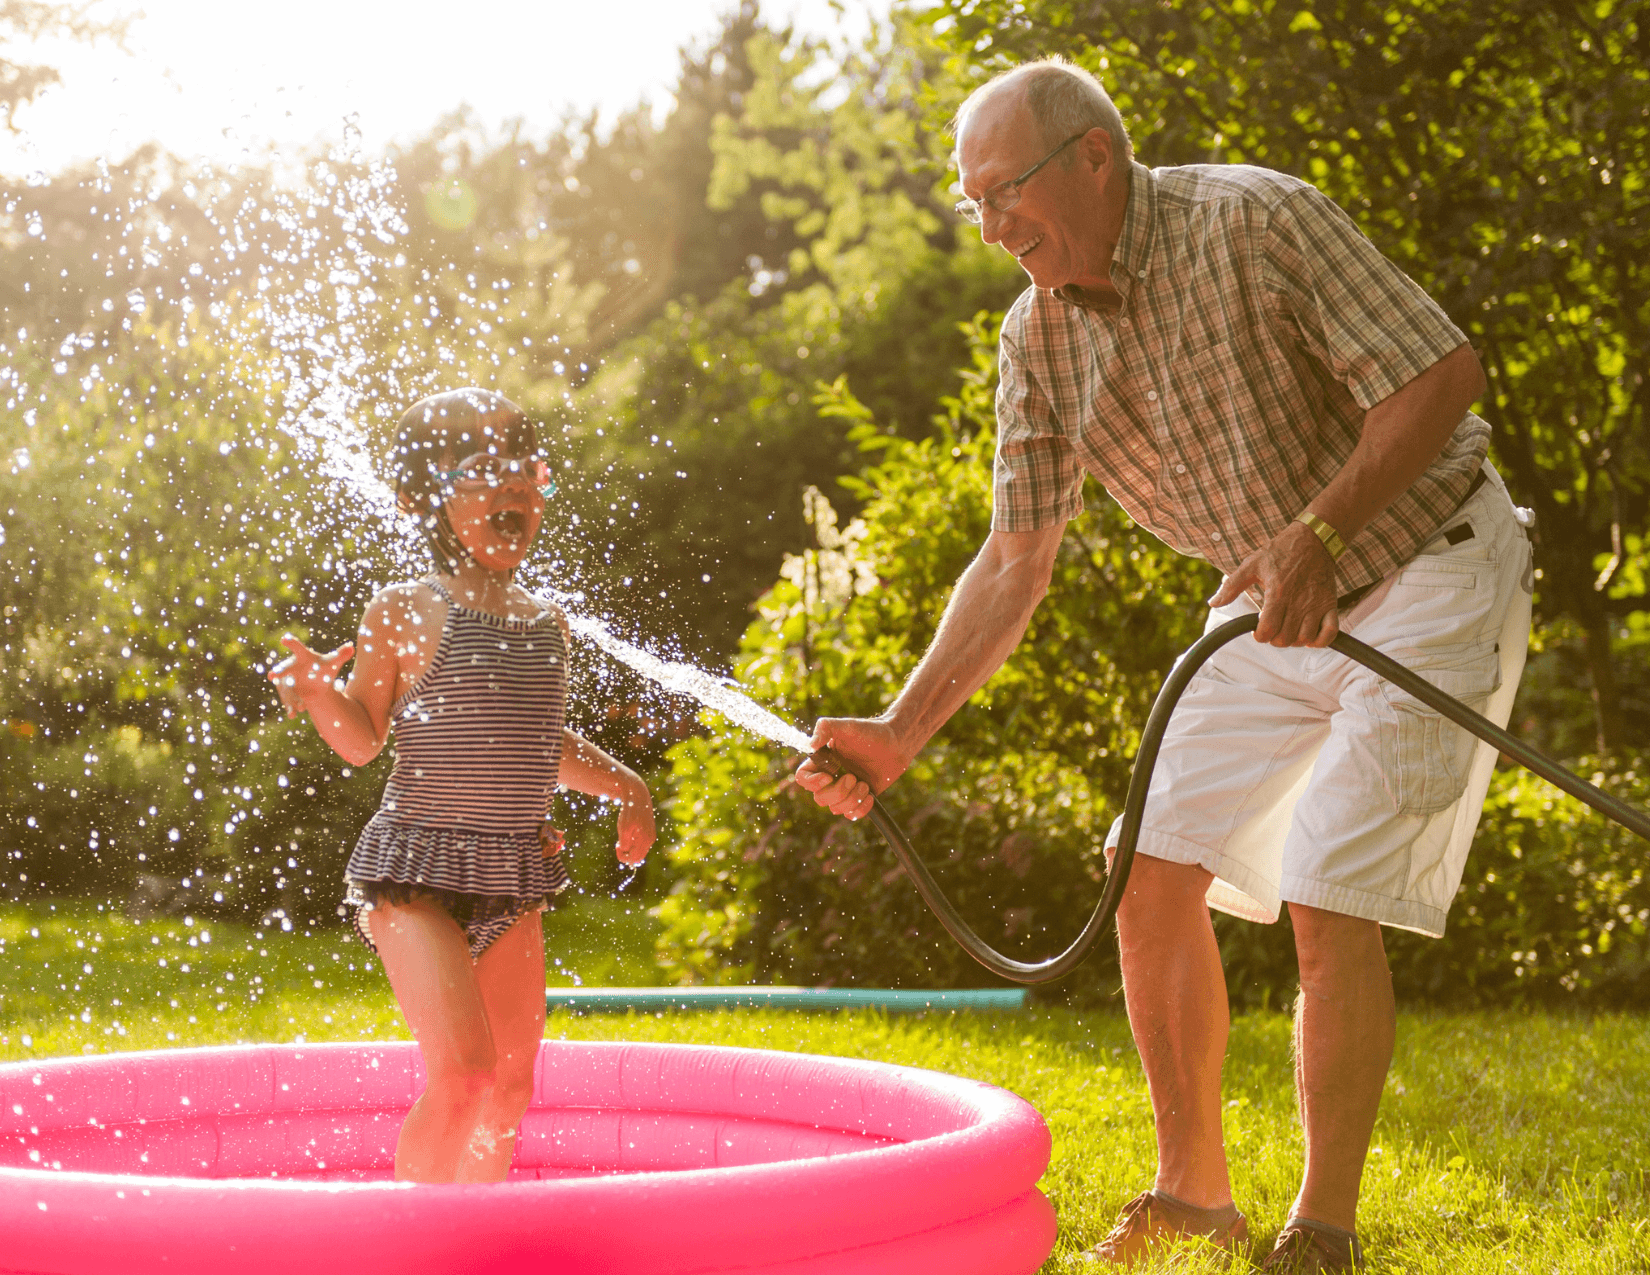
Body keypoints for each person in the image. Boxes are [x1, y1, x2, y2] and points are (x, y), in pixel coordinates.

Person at [795, 57, 1532, 1272]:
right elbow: (1015, 559)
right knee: (1146, 867)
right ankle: (1194, 1196)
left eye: (1007, 191)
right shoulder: (1035, 335)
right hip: (1271, 598)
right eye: (972, 203)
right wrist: (899, 731)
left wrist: (1321, 534)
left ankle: (1324, 1229)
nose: (992, 226)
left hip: (1427, 563)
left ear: (1095, 157)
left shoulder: (1254, 220)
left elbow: (1442, 376)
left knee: (1328, 889)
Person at [269, 388, 655, 1183]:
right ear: (421, 497)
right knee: (467, 1075)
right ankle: (409, 1238)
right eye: (481, 469)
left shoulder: (547, 623)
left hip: (510, 875)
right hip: (414, 876)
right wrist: (318, 696)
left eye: (526, 470)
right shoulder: (406, 608)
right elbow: (363, 737)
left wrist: (628, 787)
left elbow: (541, 741)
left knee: (510, 1089)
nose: (511, 484)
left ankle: (474, 1235)